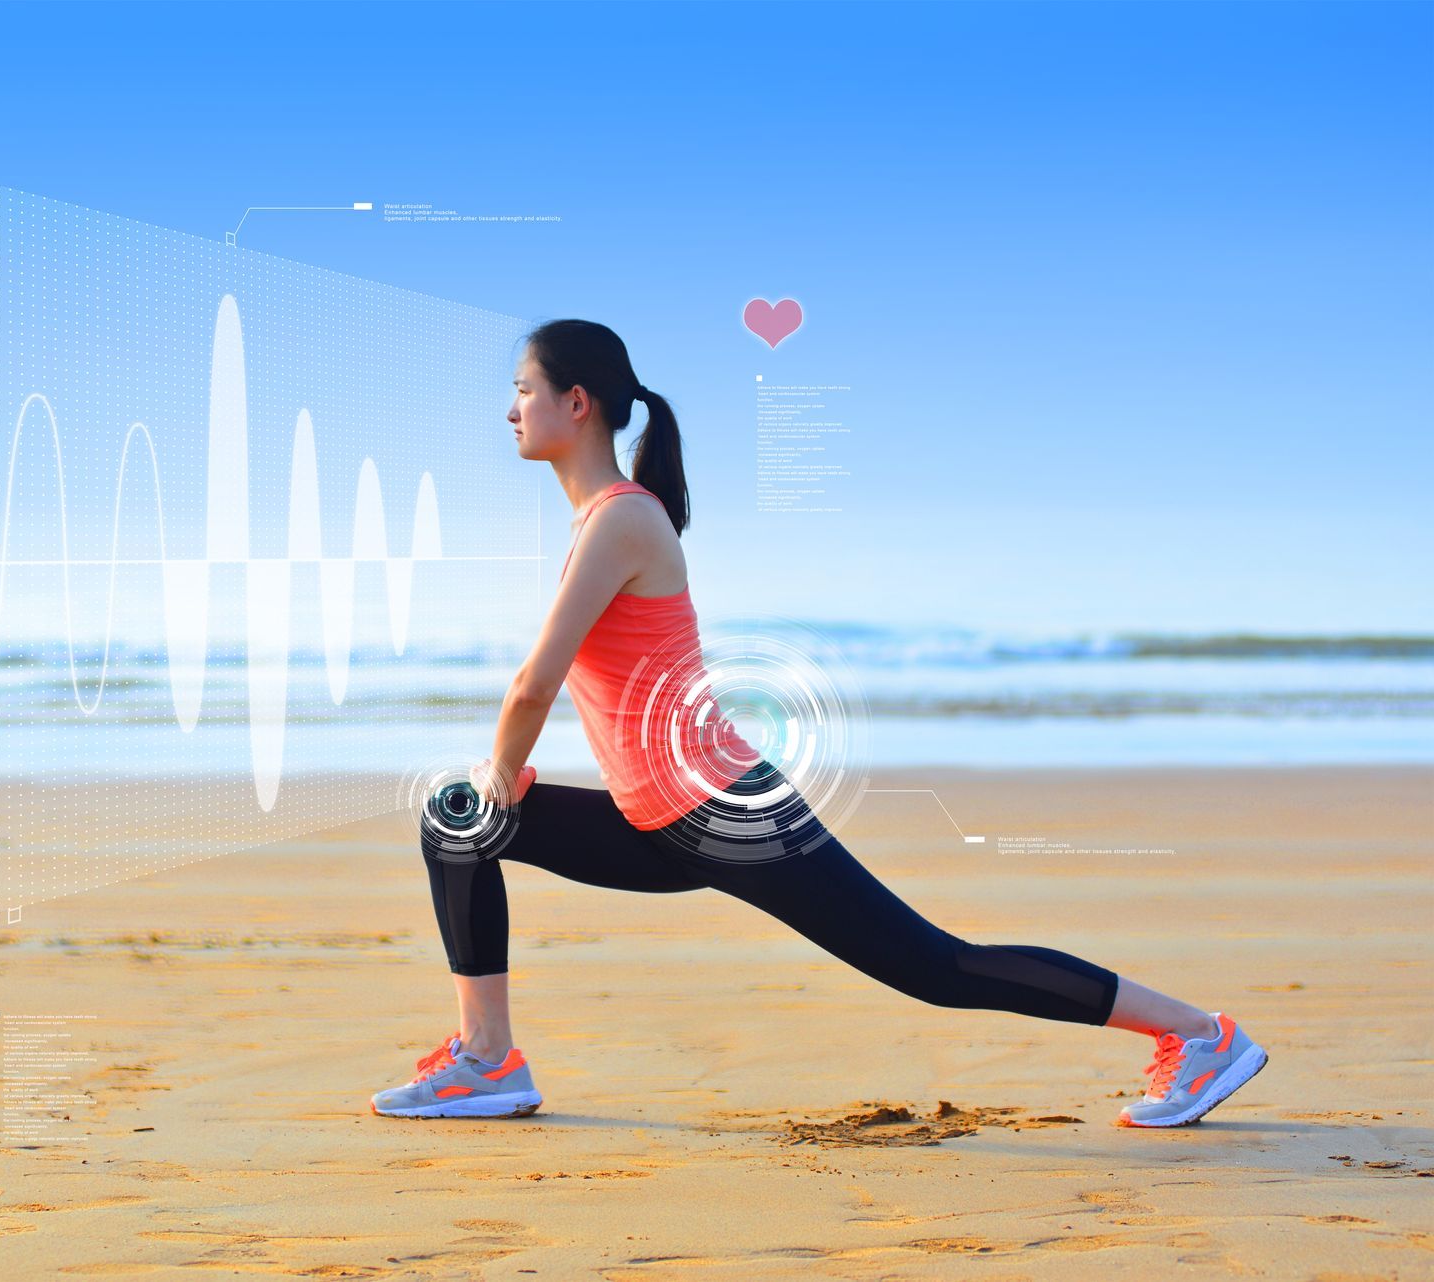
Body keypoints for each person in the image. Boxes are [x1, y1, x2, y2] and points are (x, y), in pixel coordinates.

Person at [369, 319, 1268, 1127]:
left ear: (576, 402)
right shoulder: (601, 522)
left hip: (726, 814)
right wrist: (492, 790)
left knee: (936, 968)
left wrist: (503, 774)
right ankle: (488, 1061)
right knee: (456, 822)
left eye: (523, 390)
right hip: (657, 821)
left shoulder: (622, 521)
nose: (511, 410)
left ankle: (1200, 1035)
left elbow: (534, 685)